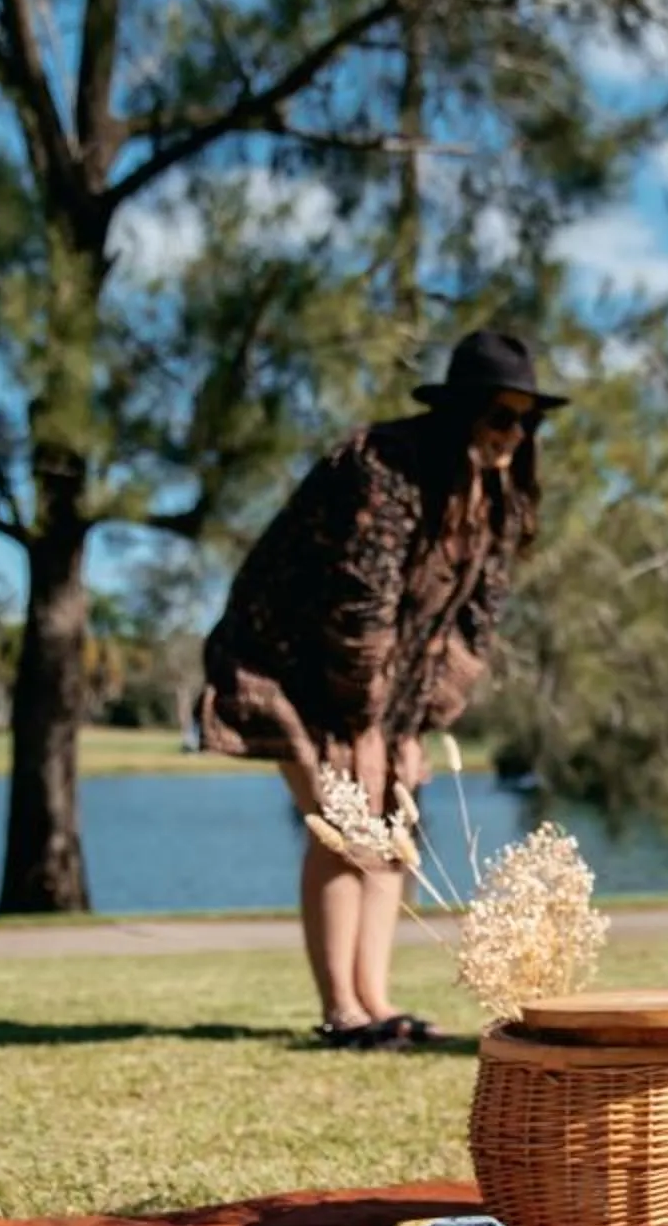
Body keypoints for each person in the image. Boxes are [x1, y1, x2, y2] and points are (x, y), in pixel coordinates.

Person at [197, 330, 563, 1049]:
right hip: (298, 671)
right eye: (499, 416)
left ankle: (377, 1002)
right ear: (460, 412)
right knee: (344, 830)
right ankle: (343, 1013)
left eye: (527, 420)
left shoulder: (495, 498)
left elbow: (476, 622)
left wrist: (416, 724)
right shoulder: (384, 468)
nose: (513, 435)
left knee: (396, 836)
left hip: (388, 689)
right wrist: (367, 721)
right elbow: (358, 607)